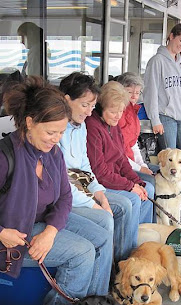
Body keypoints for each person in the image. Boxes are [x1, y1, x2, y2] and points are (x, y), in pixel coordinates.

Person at [0, 76, 112, 305]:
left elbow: (65, 197)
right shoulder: (0, 159)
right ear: (30, 123)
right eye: (51, 132)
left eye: (61, 132)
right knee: (83, 252)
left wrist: (51, 232)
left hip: (41, 223)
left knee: (104, 234)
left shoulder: (51, 152)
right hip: (11, 235)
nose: (56, 139)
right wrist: (0, 233)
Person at [59, 72, 134, 262]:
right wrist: (93, 203)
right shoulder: (56, 129)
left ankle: (121, 264)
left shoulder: (81, 125)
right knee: (109, 215)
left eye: (92, 106)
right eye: (85, 105)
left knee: (116, 206)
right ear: (66, 100)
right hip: (66, 197)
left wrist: (99, 194)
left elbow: (84, 164)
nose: (89, 112)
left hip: (81, 188)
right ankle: (115, 268)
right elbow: (63, 180)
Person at [86, 81, 154, 248]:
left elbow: (121, 159)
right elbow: (99, 172)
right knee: (133, 199)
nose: (118, 116)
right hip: (99, 182)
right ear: (100, 108)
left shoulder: (113, 125)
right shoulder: (92, 127)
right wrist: (130, 186)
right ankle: (125, 253)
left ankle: (142, 242)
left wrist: (136, 182)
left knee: (148, 189)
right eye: (113, 111)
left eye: (121, 111)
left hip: (113, 177)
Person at [143, 23, 181, 157]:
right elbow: (150, 92)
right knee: (169, 160)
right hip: (166, 117)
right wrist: (155, 120)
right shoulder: (157, 61)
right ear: (171, 36)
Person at [116, 72, 159, 188]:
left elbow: (133, 144)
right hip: (122, 165)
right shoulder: (117, 115)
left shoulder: (134, 112)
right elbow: (118, 154)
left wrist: (142, 165)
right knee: (152, 181)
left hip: (133, 162)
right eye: (129, 92)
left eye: (137, 92)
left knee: (165, 172)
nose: (134, 96)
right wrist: (140, 168)